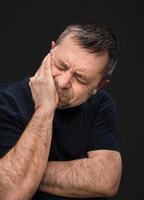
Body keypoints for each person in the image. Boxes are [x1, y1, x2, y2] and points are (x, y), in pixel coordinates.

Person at [0, 22, 122, 200]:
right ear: (51, 51)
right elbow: (10, 192)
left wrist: (28, 173)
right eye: (61, 66)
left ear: (99, 85)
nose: (63, 82)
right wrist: (45, 108)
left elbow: (107, 180)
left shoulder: (100, 104)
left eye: (80, 78)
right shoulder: (6, 101)